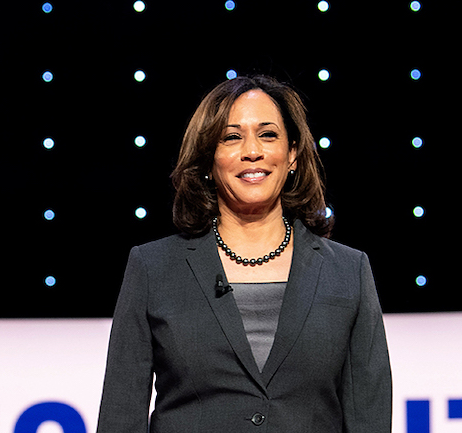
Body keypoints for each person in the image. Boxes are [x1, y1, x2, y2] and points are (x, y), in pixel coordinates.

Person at [97, 75, 391, 432]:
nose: (253, 151)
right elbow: (120, 417)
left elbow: (370, 418)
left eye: (268, 134)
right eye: (232, 137)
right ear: (208, 159)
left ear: (293, 153)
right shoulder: (153, 268)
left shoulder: (348, 271)